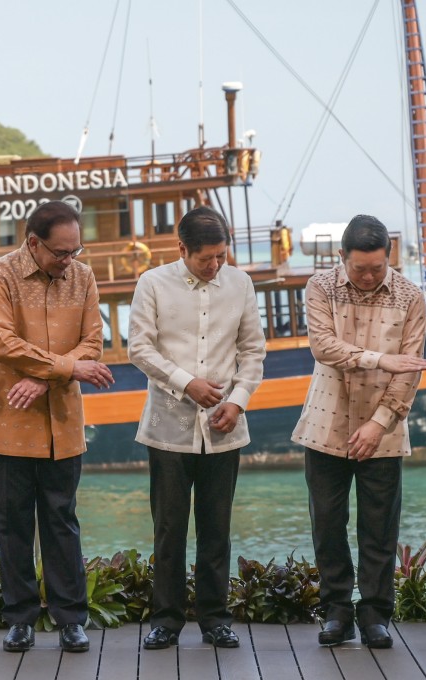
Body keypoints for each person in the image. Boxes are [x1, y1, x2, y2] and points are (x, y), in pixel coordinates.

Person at [0, 200, 112, 653]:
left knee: (62, 521)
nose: (69, 260)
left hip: (63, 422)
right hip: (8, 420)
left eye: (75, 250)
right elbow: (3, 343)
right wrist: (64, 369)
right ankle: (19, 619)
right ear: (33, 243)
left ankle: (72, 618)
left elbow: (94, 341)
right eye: (60, 253)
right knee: (12, 525)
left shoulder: (85, 276)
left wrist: (44, 376)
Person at [127, 207, 265, 650]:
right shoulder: (152, 283)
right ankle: (166, 621)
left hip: (225, 425)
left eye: (221, 256)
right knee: (168, 529)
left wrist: (238, 403)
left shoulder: (240, 284)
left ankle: (215, 620)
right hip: (168, 426)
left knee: (216, 528)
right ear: (181, 249)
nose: (215, 266)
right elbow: (139, 349)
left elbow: (253, 352)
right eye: (206, 257)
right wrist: (188, 384)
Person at [291, 215, 426, 649]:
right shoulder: (321, 287)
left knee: (378, 528)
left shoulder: (411, 296)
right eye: (359, 269)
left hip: (384, 429)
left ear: (388, 257)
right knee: (328, 524)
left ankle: (375, 615)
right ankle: (335, 612)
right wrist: (378, 359)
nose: (369, 277)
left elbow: (410, 371)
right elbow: (323, 347)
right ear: (341, 258)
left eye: (377, 268)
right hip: (326, 421)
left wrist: (379, 423)